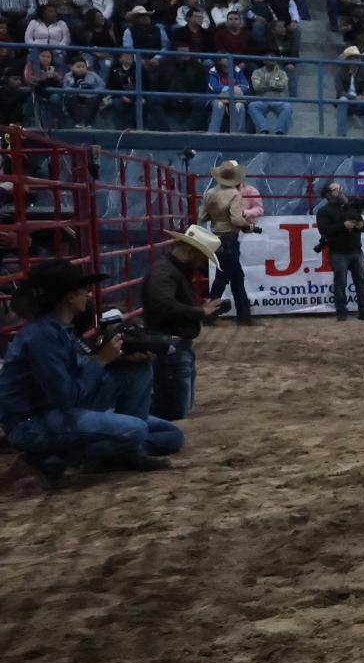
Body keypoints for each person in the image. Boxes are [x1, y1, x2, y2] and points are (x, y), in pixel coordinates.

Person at [1, 260, 184, 490]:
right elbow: (67, 396)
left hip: (56, 409)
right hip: (34, 421)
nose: (87, 296)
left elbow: (73, 381)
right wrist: (102, 360)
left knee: (170, 433)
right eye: (83, 291)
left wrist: (114, 360)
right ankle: (54, 458)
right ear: (69, 296)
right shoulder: (42, 336)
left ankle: (118, 449)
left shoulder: (55, 329)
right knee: (139, 429)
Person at [143, 223, 226, 420]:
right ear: (191, 251)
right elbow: (163, 305)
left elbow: (165, 303)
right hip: (172, 346)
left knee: (176, 408)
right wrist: (199, 311)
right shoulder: (166, 272)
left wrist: (198, 308)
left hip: (172, 345)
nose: (201, 263)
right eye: (201, 257)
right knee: (176, 412)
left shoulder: (168, 270)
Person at [198, 160, 258, 324]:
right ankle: (210, 316)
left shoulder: (210, 193)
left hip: (216, 238)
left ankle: (244, 316)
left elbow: (202, 217)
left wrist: (216, 213)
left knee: (233, 277)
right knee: (224, 279)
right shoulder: (233, 194)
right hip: (230, 239)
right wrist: (249, 226)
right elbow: (237, 220)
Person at [315, 182, 364, 321]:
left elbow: (363, 226)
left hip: (356, 250)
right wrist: (342, 225)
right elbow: (323, 230)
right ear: (327, 194)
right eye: (335, 189)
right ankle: (341, 311)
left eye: (340, 188)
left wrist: (361, 225)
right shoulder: (324, 211)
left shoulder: (351, 207)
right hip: (338, 252)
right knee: (340, 282)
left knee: (361, 281)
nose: (340, 190)